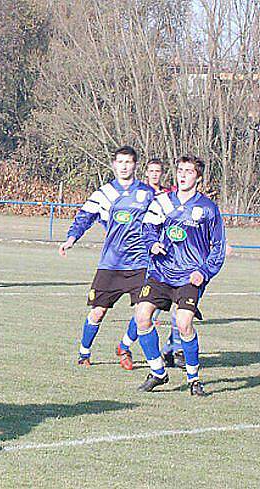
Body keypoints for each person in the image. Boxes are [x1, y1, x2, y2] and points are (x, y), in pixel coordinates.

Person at [134, 155, 226, 396]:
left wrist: (204, 271)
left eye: (189, 171)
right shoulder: (162, 202)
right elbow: (148, 228)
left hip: (189, 276)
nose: (183, 175)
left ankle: (194, 379)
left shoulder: (208, 208)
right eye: (180, 170)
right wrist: (152, 243)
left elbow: (218, 247)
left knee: (184, 322)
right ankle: (157, 372)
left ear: (198, 177)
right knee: (142, 316)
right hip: (161, 271)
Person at [59, 146, 155, 370]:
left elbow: (161, 221)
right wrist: (71, 238)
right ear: (113, 165)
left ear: (135, 165)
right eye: (120, 162)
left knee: (146, 310)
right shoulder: (103, 194)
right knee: (97, 311)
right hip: (111, 264)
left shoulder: (148, 194)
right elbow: (84, 217)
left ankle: (124, 345)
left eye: (128, 162)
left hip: (141, 263)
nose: (124, 166)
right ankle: (84, 352)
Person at [144, 158, 185, 368]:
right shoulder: (139, 193)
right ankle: (125, 345)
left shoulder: (167, 197)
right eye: (151, 171)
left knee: (177, 309)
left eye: (158, 171)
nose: (154, 174)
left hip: (165, 260)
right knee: (144, 311)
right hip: (140, 256)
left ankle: (173, 350)